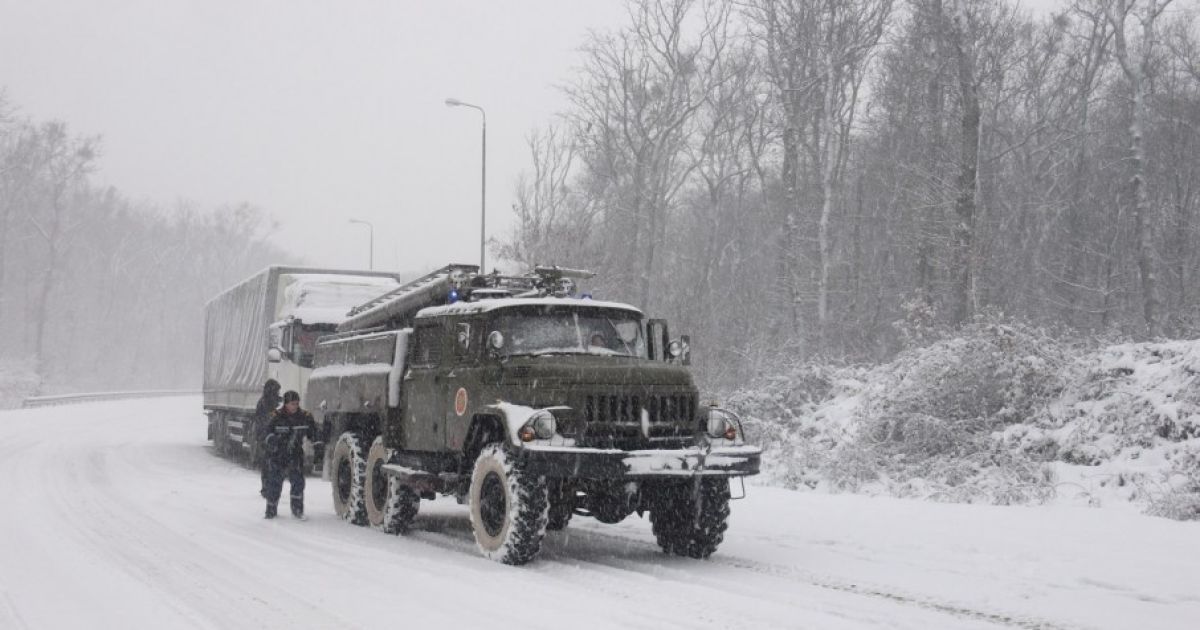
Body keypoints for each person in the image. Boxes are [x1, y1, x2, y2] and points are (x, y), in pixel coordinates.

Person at [261, 390, 318, 519]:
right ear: (286, 404)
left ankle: (297, 510)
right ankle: (271, 510)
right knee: (274, 483)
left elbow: (313, 433)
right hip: (278, 455)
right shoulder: (276, 416)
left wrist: (317, 443)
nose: (295, 406)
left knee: (298, 483)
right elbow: (265, 433)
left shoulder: (305, 417)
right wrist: (272, 440)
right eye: (292, 404)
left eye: (297, 403)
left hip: (295, 455)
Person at [254, 379, 282, 497]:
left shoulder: (274, 401)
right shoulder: (265, 403)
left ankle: (270, 487)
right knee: (268, 462)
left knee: (271, 462)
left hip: (271, 436)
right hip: (266, 436)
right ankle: (266, 488)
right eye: (277, 391)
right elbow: (264, 420)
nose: (278, 393)